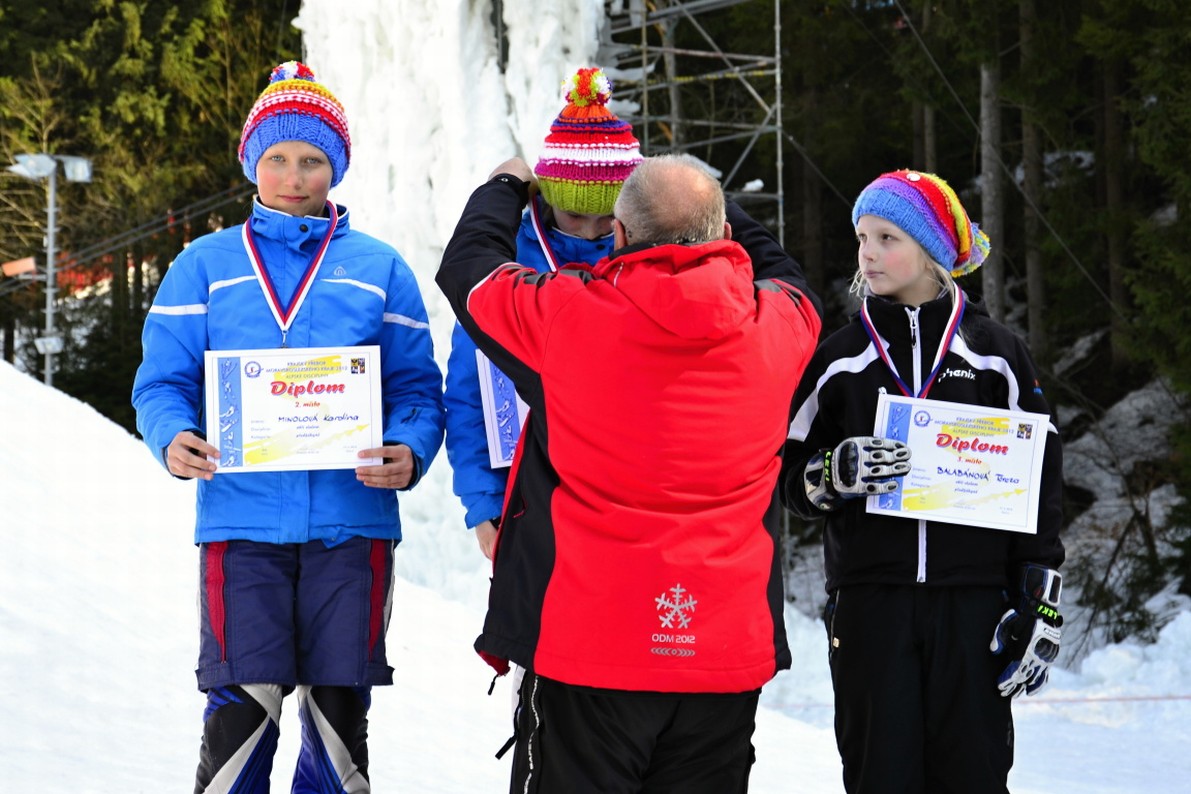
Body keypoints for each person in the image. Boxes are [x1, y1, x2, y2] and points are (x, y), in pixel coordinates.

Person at [436, 152, 822, 793]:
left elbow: (469, 270)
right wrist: (701, 203)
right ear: (723, 231)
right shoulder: (782, 322)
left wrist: (505, 186)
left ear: (617, 233)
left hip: (589, 644)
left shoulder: (567, 316)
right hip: (722, 647)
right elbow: (785, 270)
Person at [131, 61, 445, 793]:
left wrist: (409, 447)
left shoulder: (379, 268)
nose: (293, 176)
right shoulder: (204, 266)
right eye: (276, 157)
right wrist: (172, 436)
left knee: (340, 722)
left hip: (352, 525)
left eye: (311, 160)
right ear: (252, 162)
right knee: (240, 716)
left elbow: (416, 390)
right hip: (241, 527)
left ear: (335, 168)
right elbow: (161, 382)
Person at [779, 169, 1065, 794]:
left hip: (973, 604)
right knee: (879, 774)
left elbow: (1040, 478)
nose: (868, 254)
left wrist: (1039, 598)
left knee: (974, 774)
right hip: (870, 604)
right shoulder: (839, 359)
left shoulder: (996, 354)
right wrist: (832, 474)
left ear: (932, 250)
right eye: (862, 238)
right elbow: (788, 478)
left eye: (888, 238)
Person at [443, 66, 642, 561]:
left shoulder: (644, 258)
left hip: (625, 496)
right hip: (524, 493)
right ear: (546, 196)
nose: (592, 231)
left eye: (608, 218)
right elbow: (469, 386)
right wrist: (484, 502)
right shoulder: (507, 258)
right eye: (574, 214)